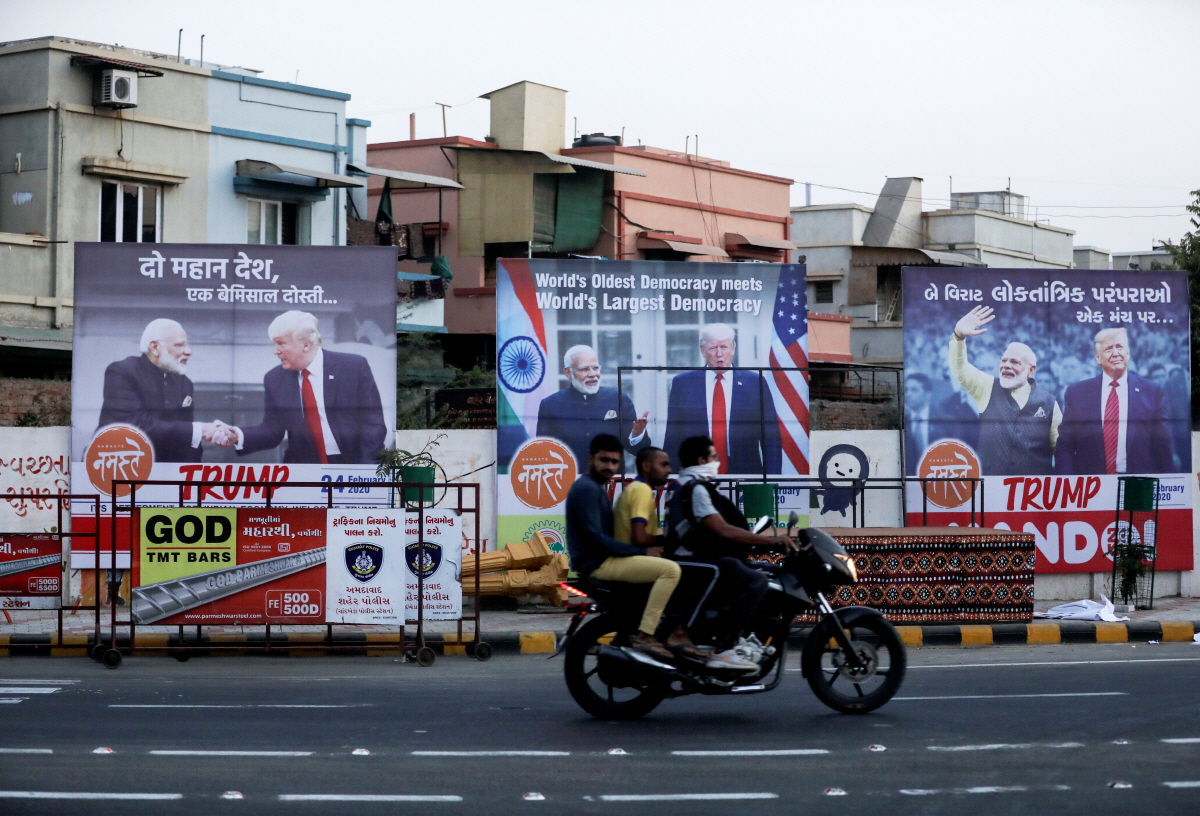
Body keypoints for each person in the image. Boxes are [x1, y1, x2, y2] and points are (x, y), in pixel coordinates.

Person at [665, 435, 786, 672]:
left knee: (750, 569)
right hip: (688, 559)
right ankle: (722, 648)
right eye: (714, 457)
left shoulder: (682, 483)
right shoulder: (695, 488)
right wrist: (770, 541)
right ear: (702, 460)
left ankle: (735, 634)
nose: (717, 462)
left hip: (686, 555)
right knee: (756, 580)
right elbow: (721, 529)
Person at [564, 435, 684, 660]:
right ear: (590, 458)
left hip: (600, 559)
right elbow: (595, 537)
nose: (609, 467)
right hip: (598, 563)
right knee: (670, 571)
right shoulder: (587, 489)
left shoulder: (595, 487)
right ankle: (645, 636)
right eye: (604, 460)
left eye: (614, 462)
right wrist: (640, 552)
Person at [212, 311, 387, 464]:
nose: (275, 351)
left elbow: (373, 425)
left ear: (306, 344)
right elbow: (272, 431)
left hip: (354, 463)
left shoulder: (353, 367)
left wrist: (364, 471)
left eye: (281, 343)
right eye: (275, 343)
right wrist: (237, 435)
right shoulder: (274, 379)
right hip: (303, 470)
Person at [949, 306, 1061, 475]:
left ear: (1031, 370)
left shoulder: (1049, 402)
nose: (1006, 365)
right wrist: (958, 336)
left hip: (1033, 488)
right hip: (992, 486)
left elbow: (1060, 448)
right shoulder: (987, 387)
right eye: (1004, 360)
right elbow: (961, 370)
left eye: (1015, 362)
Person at [97, 318, 228, 463]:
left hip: (166, 471)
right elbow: (134, 426)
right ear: (154, 347)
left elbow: (187, 437)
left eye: (187, 345)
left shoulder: (184, 383)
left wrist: (190, 473)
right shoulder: (122, 372)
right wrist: (202, 430)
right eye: (180, 345)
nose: (188, 352)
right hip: (119, 467)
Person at [612, 446, 701, 657]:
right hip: (630, 559)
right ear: (646, 466)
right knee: (678, 574)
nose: (669, 470)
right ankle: (651, 634)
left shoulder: (635, 488)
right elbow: (640, 538)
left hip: (629, 557)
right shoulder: (641, 491)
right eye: (663, 465)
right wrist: (667, 541)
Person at [662, 324, 782, 475]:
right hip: (696, 473)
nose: (719, 354)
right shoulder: (683, 383)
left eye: (724, 347)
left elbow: (771, 438)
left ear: (733, 349)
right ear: (703, 350)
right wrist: (671, 479)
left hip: (745, 475)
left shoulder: (755, 383)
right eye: (713, 348)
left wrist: (771, 479)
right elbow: (673, 436)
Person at [1056, 327, 1177, 475]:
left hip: (1138, 482)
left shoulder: (1152, 391)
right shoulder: (1077, 393)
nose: (1116, 353)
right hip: (1093, 483)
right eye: (1108, 349)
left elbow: (1162, 445)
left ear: (1128, 353)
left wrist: (1168, 480)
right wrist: (1065, 481)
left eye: (1120, 347)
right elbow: (1065, 444)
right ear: (1098, 358)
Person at [535, 345, 652, 467]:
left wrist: (637, 435)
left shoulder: (618, 399)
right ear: (568, 373)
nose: (592, 374)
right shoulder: (550, 405)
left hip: (610, 477)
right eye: (584, 369)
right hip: (570, 476)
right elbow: (543, 454)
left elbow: (641, 452)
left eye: (595, 368)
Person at [904, 373, 933, 475]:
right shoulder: (902, 422)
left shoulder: (945, 422)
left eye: (914, 390)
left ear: (927, 394)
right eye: (906, 390)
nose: (908, 394)